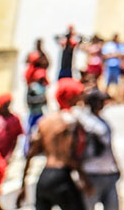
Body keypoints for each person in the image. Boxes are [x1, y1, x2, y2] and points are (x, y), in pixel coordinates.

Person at [18, 77, 89, 210]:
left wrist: (23, 186)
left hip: (44, 177)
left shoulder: (45, 121)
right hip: (62, 176)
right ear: (70, 97)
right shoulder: (71, 121)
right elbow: (71, 154)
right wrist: (84, 179)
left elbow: (31, 153)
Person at [78, 88, 120, 209]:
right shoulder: (85, 123)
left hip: (108, 173)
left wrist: (116, 165)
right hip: (91, 173)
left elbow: (109, 146)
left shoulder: (103, 122)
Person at [25, 67, 49, 154]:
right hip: (33, 113)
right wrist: (40, 99)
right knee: (29, 132)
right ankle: (27, 151)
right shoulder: (32, 87)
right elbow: (29, 100)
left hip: (40, 113)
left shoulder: (43, 87)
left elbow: (45, 100)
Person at [102, 33, 124, 98]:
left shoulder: (121, 45)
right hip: (109, 66)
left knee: (118, 83)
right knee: (107, 82)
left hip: (117, 67)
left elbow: (123, 54)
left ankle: (117, 98)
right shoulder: (108, 45)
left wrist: (112, 55)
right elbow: (105, 55)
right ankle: (105, 97)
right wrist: (116, 54)